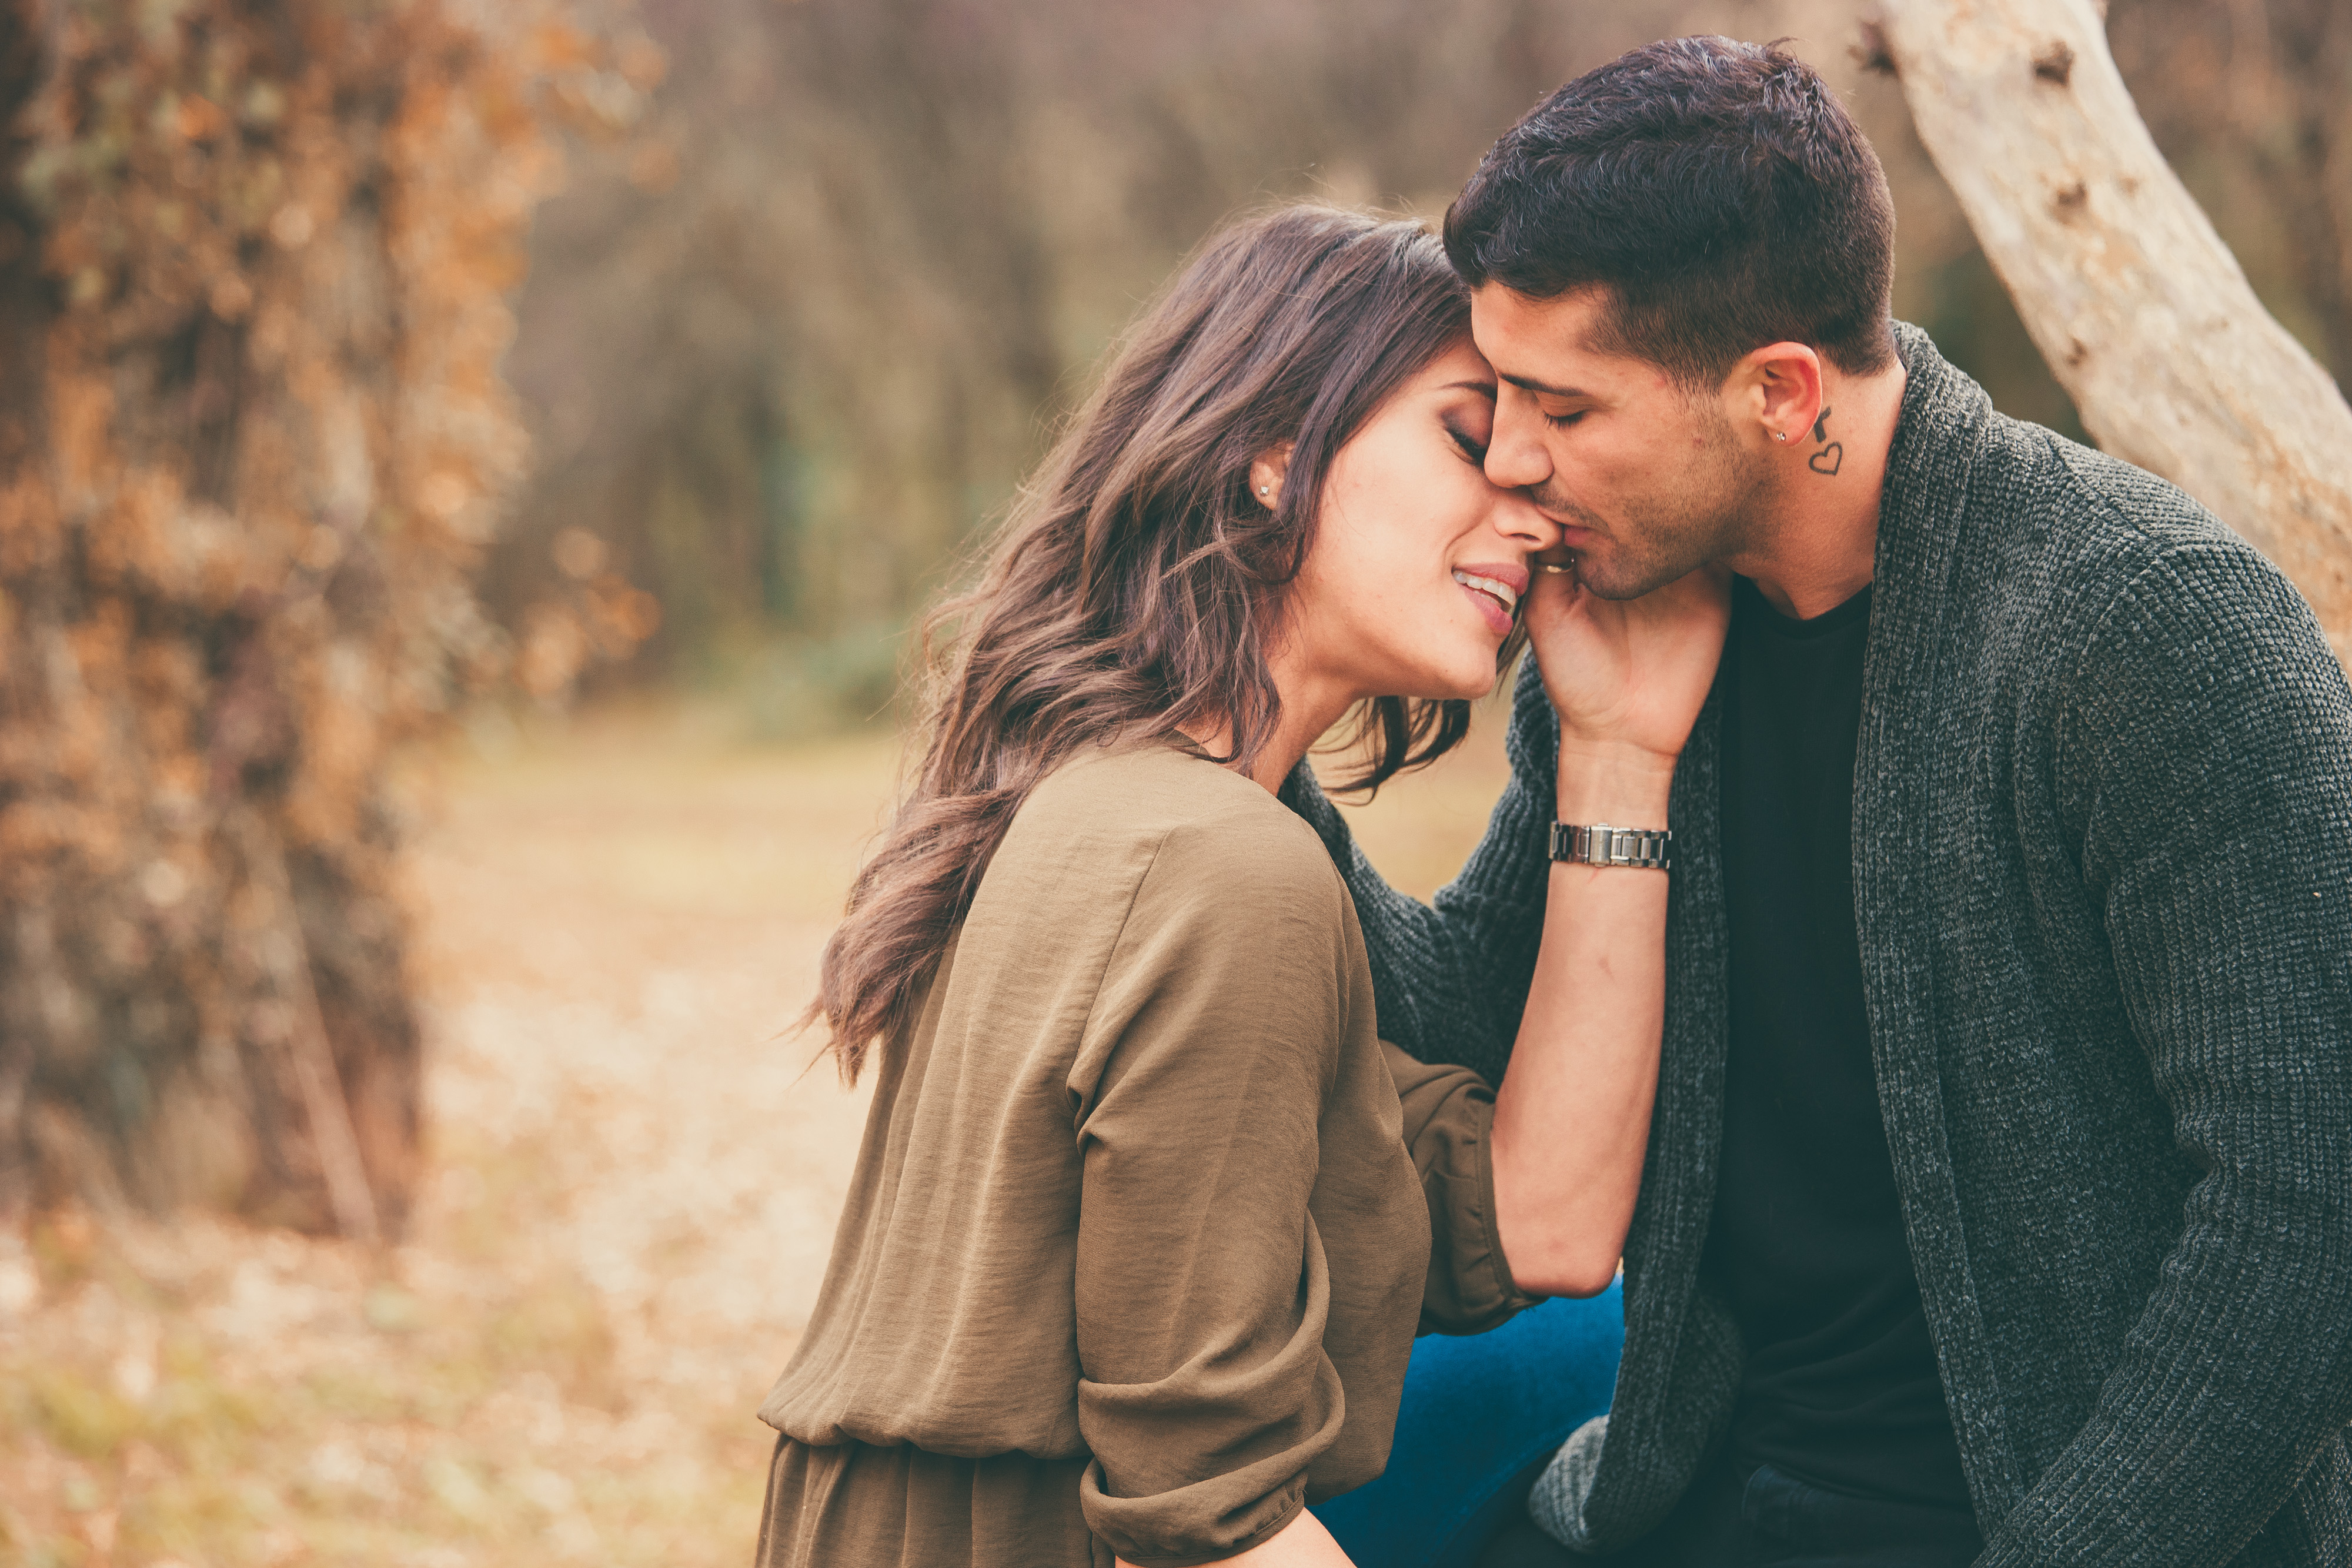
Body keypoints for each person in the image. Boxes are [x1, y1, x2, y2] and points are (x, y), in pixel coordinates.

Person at [1285, 36, 2352, 1568]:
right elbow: (1458, 1016)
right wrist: (1253, 715)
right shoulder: (1639, 625)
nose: (1512, 462)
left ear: (1781, 390)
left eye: (1563, 408)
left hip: (2053, 1522)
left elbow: (2305, 1222)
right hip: (1698, 1489)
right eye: (1499, 396)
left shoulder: (2145, 632)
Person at [753, 204, 1729, 1568]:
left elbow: (1544, 1219)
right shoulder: (1222, 871)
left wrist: (1619, 755)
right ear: (1274, 452)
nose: (1532, 502)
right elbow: (1203, 1523)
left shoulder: (1103, 793)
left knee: (1594, 1333)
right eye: (1467, 436)